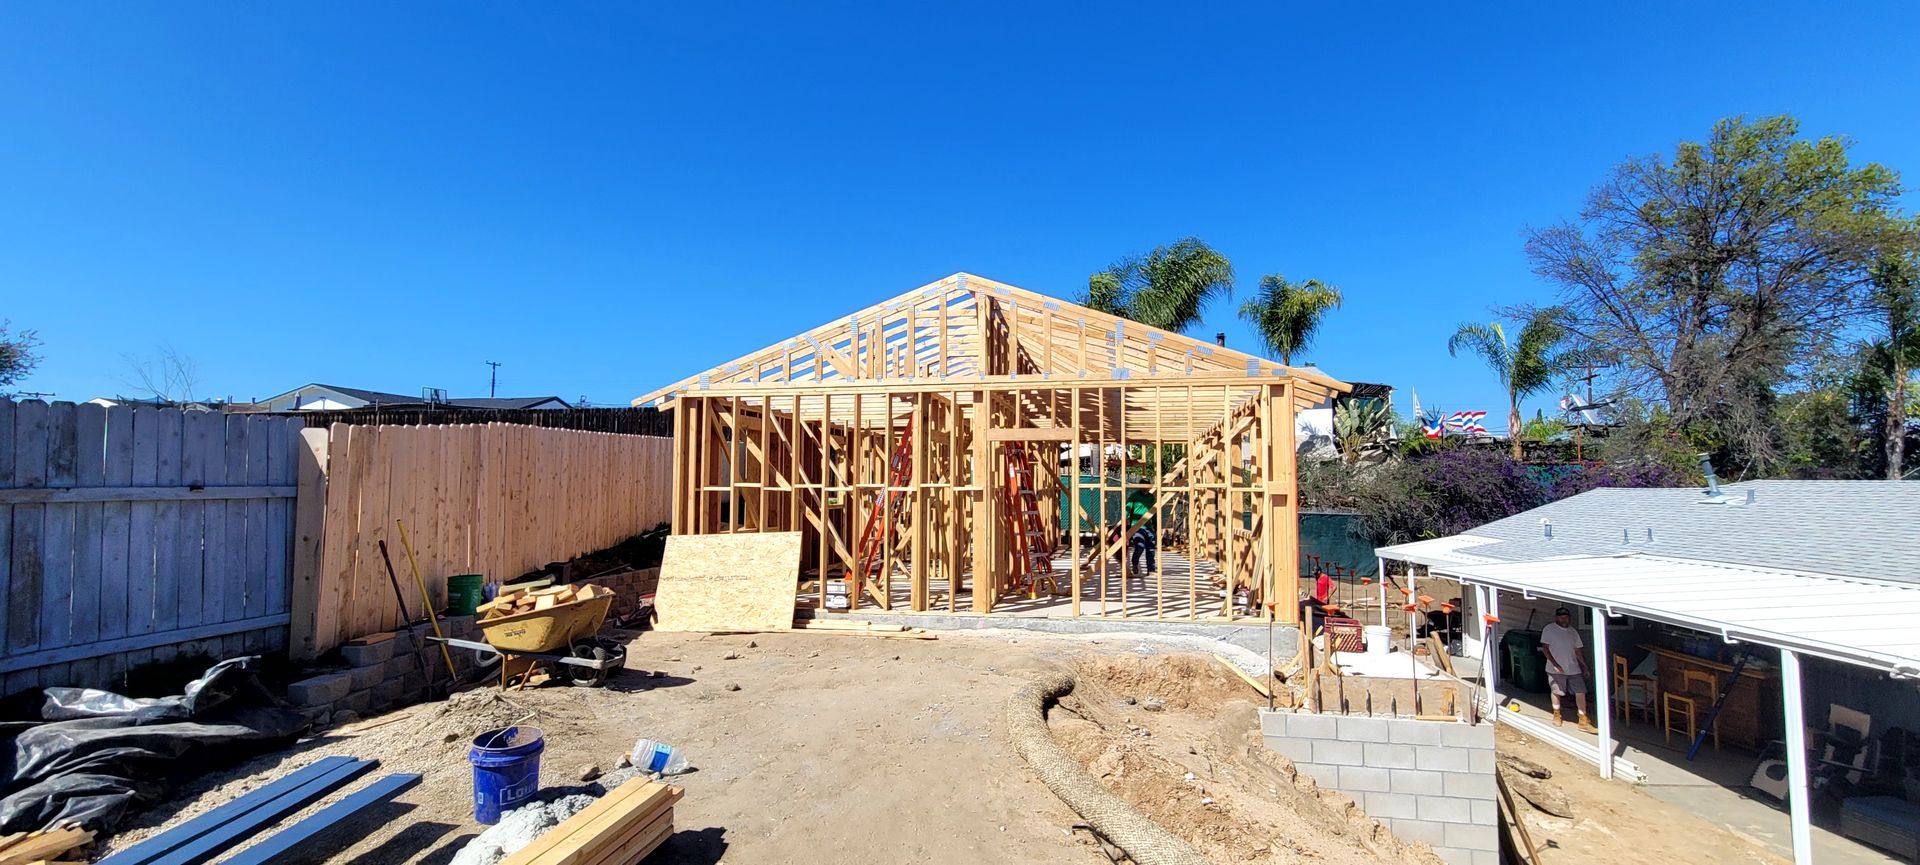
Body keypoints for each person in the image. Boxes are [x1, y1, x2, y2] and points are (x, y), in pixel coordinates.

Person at [1540, 607, 1595, 732]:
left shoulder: (1573, 632)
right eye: (1561, 617)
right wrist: (1554, 664)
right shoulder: (1549, 629)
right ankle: (1557, 714)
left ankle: (1582, 718)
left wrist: (1585, 666)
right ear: (1557, 617)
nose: (1564, 619)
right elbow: (1545, 648)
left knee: (1580, 691)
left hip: (1573, 667)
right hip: (1556, 668)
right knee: (1557, 691)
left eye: (1566, 617)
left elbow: (1577, 650)